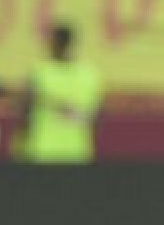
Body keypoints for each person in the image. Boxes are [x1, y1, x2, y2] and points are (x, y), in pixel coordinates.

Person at [15, 25, 103, 164]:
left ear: (56, 43)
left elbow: (24, 111)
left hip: (42, 149)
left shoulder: (40, 72)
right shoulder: (89, 75)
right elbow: (98, 115)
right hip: (77, 151)